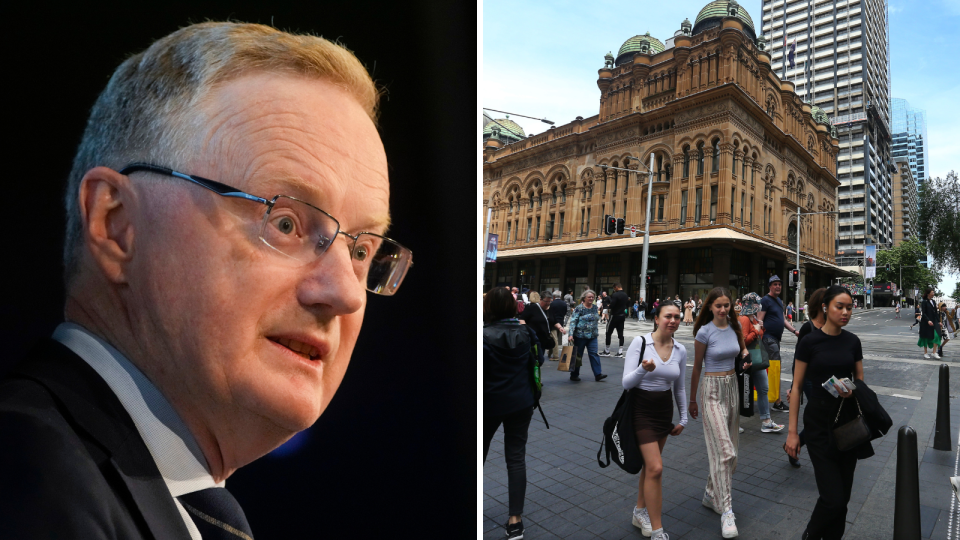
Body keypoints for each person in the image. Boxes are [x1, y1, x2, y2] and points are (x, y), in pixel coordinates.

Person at [0, 22, 414, 540]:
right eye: (285, 222)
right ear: (116, 225)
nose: (346, 293)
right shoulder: (29, 482)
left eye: (360, 250)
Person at [786, 286, 869, 539]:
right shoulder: (809, 340)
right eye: (839, 307)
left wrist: (852, 390)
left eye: (849, 308)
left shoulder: (852, 341)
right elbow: (797, 387)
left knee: (843, 500)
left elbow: (861, 379)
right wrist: (792, 433)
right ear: (825, 307)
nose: (845, 312)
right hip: (819, 425)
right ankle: (810, 535)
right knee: (832, 499)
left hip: (847, 424)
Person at [688, 287, 750, 538]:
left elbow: (743, 350)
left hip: (733, 387)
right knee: (725, 452)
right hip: (711, 390)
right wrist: (692, 400)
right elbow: (697, 368)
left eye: (727, 305)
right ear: (710, 307)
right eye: (718, 306)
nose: (723, 309)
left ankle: (710, 493)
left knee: (732, 451)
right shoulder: (704, 332)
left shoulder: (735, 329)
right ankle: (726, 511)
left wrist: (746, 357)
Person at [625, 302, 688, 540]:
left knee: (649, 468)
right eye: (667, 316)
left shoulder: (680, 349)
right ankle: (658, 530)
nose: (672, 321)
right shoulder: (641, 343)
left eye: (677, 317)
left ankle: (639, 511)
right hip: (641, 410)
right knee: (656, 467)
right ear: (656, 318)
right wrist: (643, 369)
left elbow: (679, 388)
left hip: (664, 411)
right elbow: (626, 383)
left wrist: (683, 418)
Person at [483, 287, 542, 540]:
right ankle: (515, 520)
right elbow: (537, 361)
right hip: (521, 403)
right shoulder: (527, 332)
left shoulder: (483, 336)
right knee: (516, 458)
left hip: (489, 405)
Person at [782, 287, 828, 468]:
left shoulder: (830, 327)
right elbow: (798, 360)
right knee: (820, 418)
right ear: (821, 306)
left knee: (820, 419)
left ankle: (792, 445)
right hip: (809, 379)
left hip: (825, 380)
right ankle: (796, 444)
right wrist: (795, 388)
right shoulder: (808, 328)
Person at [738, 293, 783, 434]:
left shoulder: (753, 319)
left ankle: (766, 421)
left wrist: (760, 328)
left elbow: (758, 338)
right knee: (743, 392)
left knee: (763, 389)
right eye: (757, 304)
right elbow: (743, 341)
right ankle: (734, 422)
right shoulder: (744, 319)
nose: (759, 307)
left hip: (756, 360)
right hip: (748, 360)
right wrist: (756, 331)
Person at [758, 275, 800, 413]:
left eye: (779, 284)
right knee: (775, 367)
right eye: (775, 284)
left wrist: (794, 331)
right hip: (768, 339)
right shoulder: (765, 300)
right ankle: (777, 401)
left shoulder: (779, 301)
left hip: (775, 339)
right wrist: (760, 334)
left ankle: (771, 398)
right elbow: (760, 320)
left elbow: (783, 320)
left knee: (774, 368)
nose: (778, 286)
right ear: (770, 286)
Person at [566, 289, 607, 382]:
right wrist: (570, 334)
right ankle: (574, 374)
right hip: (580, 336)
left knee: (594, 354)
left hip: (592, 336)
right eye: (589, 297)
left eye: (593, 297)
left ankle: (598, 374)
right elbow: (573, 322)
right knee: (578, 355)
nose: (591, 298)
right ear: (584, 298)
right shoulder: (579, 308)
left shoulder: (594, 307)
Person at [518, 290, 556, 364]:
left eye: (549, 301)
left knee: (539, 360)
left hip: (544, 338)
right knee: (537, 359)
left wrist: (560, 327)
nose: (548, 303)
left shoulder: (550, 309)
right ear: (540, 299)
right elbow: (522, 319)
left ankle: (535, 373)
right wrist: (526, 329)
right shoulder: (531, 307)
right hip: (533, 338)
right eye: (546, 301)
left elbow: (554, 320)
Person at [603, 284, 630, 357]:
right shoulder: (625, 295)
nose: (614, 290)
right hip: (622, 316)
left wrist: (609, 306)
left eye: (614, 288)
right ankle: (620, 352)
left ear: (616, 287)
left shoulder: (615, 295)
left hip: (614, 316)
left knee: (608, 332)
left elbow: (612, 305)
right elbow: (627, 304)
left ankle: (607, 351)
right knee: (620, 334)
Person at [918, 288, 941, 359]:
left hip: (934, 321)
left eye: (933, 292)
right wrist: (928, 320)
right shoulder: (924, 302)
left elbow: (935, 313)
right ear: (928, 294)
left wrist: (939, 321)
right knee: (925, 337)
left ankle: (934, 352)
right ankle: (925, 353)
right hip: (925, 322)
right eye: (932, 292)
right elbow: (923, 313)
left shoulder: (933, 301)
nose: (933, 294)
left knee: (937, 336)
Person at [548, 292, 569, 357]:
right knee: (556, 338)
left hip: (553, 323)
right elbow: (565, 312)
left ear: (554, 296)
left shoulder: (552, 304)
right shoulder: (564, 303)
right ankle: (550, 352)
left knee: (554, 339)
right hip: (561, 322)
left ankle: (555, 355)